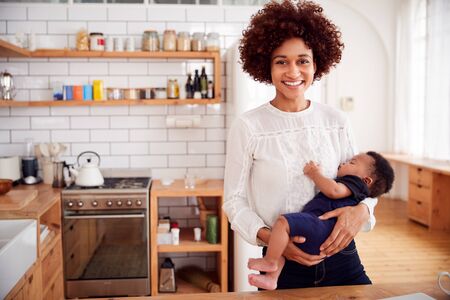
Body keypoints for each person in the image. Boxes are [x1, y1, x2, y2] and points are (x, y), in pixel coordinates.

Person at [223, 0, 381, 288]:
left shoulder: (336, 121)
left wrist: (363, 211)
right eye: (281, 61)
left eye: (302, 61)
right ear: (266, 66)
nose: (293, 72)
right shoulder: (249, 126)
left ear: (316, 63)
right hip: (282, 265)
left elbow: (365, 185)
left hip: (342, 258)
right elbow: (233, 201)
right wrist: (276, 241)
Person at [247, 151, 395, 290]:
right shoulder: (357, 188)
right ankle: (272, 278)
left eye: (352, 162)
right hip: (321, 233)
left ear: (366, 180)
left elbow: (333, 190)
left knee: (282, 223)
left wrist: (314, 173)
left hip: (320, 226)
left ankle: (270, 261)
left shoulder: (355, 183)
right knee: (282, 244)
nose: (343, 163)